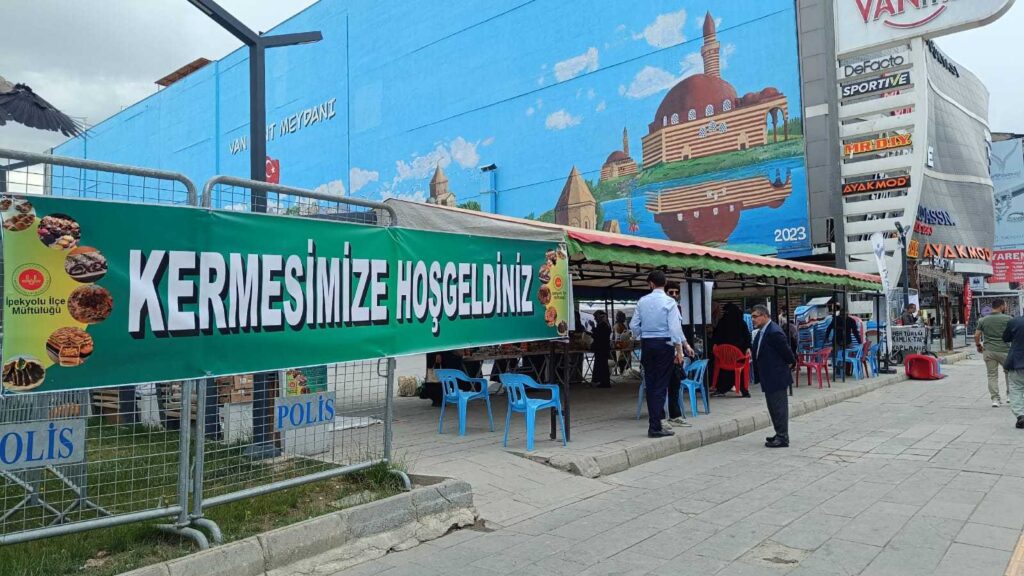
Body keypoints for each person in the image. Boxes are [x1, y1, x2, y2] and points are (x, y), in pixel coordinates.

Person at [630, 271, 695, 438]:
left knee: (651, 385)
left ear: (650, 284)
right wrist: (679, 350)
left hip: (647, 344)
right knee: (660, 386)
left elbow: (634, 325)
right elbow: (674, 328)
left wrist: (643, 334)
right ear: (664, 284)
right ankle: (655, 426)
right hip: (664, 344)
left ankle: (655, 423)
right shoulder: (669, 302)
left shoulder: (642, 301)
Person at [751, 304, 796, 448]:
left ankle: (783, 437)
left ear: (765, 316)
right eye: (752, 317)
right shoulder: (762, 331)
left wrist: (790, 364)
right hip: (768, 376)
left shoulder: (774, 331)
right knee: (773, 407)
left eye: (755, 316)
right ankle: (779, 433)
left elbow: (787, 352)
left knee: (779, 407)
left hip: (776, 375)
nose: (753, 319)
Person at [711, 303, 752, 397]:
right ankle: (744, 390)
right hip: (739, 358)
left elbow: (715, 338)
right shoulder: (741, 323)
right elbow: (747, 338)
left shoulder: (722, 323)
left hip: (723, 359)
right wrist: (748, 347)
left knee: (722, 369)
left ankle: (721, 389)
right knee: (741, 369)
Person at [977, 299, 1012, 407]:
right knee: (1009, 373)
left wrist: (978, 346)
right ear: (1001, 306)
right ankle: (1010, 396)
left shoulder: (983, 320)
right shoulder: (1008, 319)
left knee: (992, 375)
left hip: (989, 351)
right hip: (1005, 351)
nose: (1006, 307)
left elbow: (976, 335)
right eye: (1005, 305)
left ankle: (995, 400)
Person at [1000, 314, 1024, 429]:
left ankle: (1020, 416)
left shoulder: (1014, 321)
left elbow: (1005, 338)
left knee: (1016, 388)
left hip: (1017, 361)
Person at [591, 310, 613, 388]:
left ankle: (604, 383)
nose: (595, 319)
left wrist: (593, 328)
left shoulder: (603, 325)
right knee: (603, 365)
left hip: (601, 348)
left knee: (602, 366)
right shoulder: (605, 325)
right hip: (603, 348)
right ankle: (603, 382)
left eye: (595, 317)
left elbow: (598, 336)